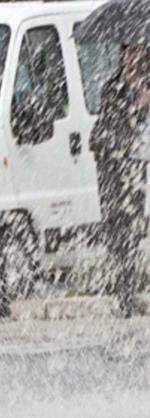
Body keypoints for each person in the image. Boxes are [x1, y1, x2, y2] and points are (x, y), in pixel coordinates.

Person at [90, 43, 150, 318]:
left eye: (138, 53)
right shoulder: (112, 88)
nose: (132, 59)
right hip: (120, 172)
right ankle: (123, 295)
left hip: (145, 171)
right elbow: (109, 128)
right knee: (121, 234)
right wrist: (137, 108)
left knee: (141, 231)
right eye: (128, 53)